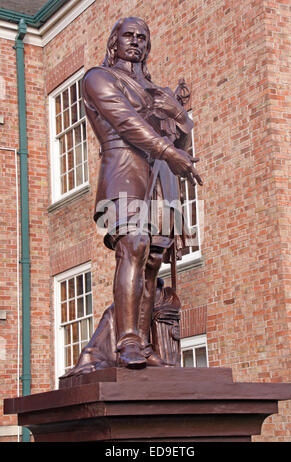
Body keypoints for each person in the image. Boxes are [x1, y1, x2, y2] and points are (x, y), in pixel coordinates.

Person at [82, 17, 202, 369]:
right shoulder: (98, 78)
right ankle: (127, 341)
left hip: (161, 179)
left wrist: (177, 113)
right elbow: (125, 122)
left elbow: (181, 138)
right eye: (128, 36)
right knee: (133, 243)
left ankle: (143, 344)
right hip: (122, 173)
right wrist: (166, 149)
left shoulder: (157, 91)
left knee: (152, 261)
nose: (135, 42)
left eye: (142, 38)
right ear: (114, 42)